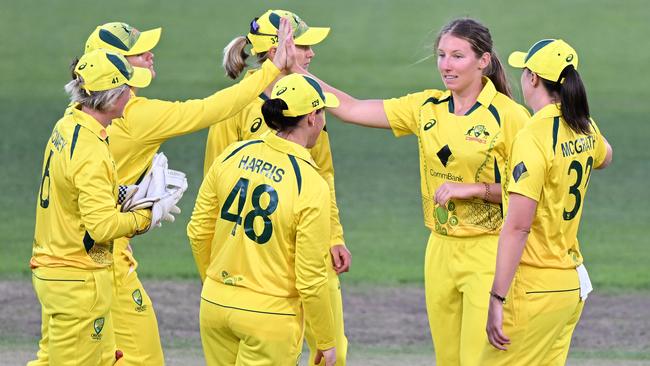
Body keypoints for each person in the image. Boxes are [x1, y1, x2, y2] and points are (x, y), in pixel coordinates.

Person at [34, 19, 295, 366]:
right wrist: (146, 214)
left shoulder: (72, 118)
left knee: (63, 355)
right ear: (112, 71)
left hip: (62, 257)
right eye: (138, 54)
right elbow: (212, 109)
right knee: (136, 358)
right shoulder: (136, 116)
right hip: (94, 260)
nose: (149, 55)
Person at [305, 18, 530, 366]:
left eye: (457, 56)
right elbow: (350, 108)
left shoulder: (509, 116)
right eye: (441, 55)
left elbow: (532, 192)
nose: (446, 65)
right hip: (439, 249)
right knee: (448, 360)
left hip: (488, 250)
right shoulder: (427, 108)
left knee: (478, 360)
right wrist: (292, 70)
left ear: (483, 61)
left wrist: (474, 189)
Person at [203, 9, 350, 365]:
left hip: (311, 245)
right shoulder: (234, 108)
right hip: (256, 264)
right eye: (303, 45)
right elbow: (217, 187)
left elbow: (323, 174)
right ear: (276, 51)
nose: (311, 53)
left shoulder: (310, 104)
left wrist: (334, 235)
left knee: (332, 351)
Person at [29, 49, 178, 366]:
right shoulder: (91, 150)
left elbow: (73, 187)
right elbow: (102, 228)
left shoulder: (69, 124)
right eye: (127, 88)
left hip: (60, 269)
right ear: (111, 99)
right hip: (77, 280)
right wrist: (146, 216)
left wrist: (121, 193)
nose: (132, 95)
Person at [187, 73, 339, 366]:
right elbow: (311, 278)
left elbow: (197, 231)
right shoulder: (309, 183)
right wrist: (326, 339)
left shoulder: (232, 155)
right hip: (270, 318)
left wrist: (214, 283)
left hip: (215, 305)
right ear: (311, 118)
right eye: (322, 112)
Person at [482, 39, 613, 365]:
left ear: (533, 78)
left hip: (534, 288)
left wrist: (497, 297)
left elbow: (518, 225)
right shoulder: (584, 126)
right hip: (569, 287)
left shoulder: (533, 135)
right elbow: (606, 156)